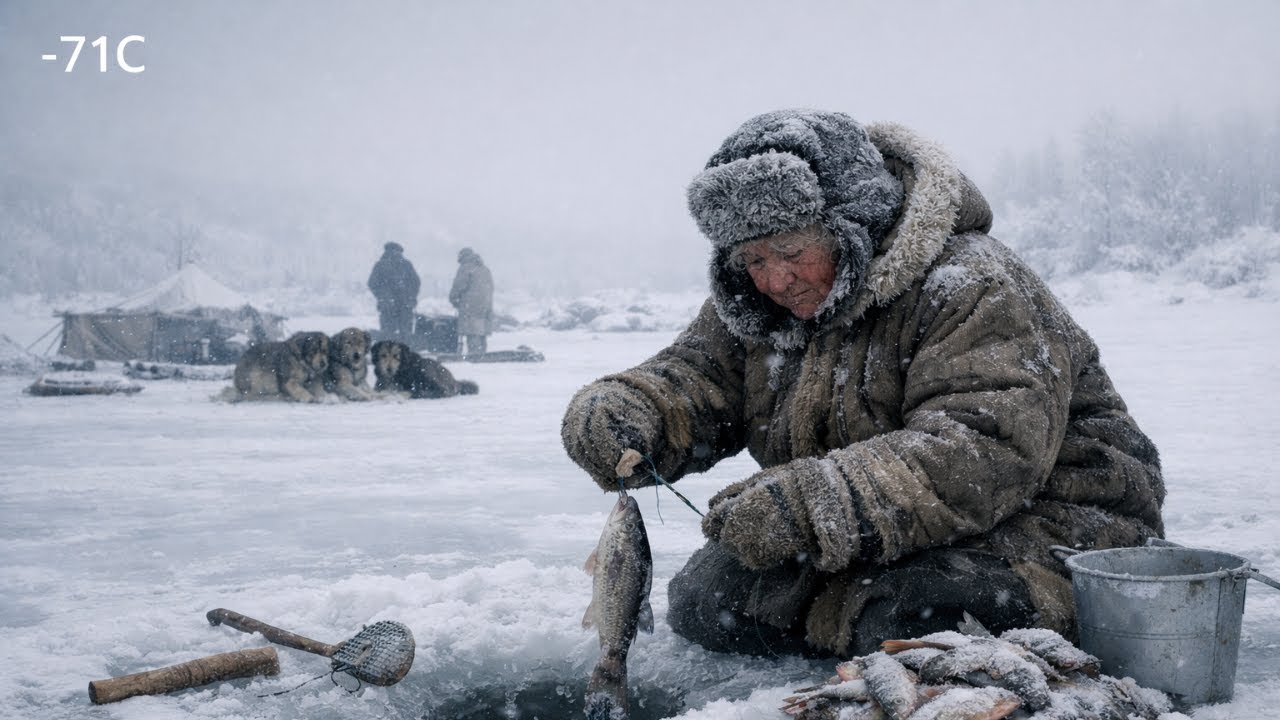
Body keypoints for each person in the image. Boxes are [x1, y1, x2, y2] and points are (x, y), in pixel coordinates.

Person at [560, 109, 1164, 659]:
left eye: (789, 250)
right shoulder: (757, 305)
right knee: (707, 599)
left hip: (1054, 527)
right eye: (751, 259)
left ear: (853, 223)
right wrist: (632, 410)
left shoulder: (972, 283)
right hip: (886, 534)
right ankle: (851, 624)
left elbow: (983, 450)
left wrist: (812, 503)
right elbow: (697, 379)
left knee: (911, 614)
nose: (774, 279)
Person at [367, 242, 421, 339]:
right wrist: (411, 296)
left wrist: (382, 296)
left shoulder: (380, 265)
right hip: (403, 304)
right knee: (404, 333)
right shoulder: (406, 264)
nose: (395, 253)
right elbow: (415, 283)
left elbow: (372, 283)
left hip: (390, 305)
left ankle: (391, 351)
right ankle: (404, 352)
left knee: (388, 333)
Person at [448, 247, 494, 358]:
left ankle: (474, 356)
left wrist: (453, 299)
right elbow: (491, 287)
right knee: (481, 332)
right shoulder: (485, 269)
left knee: (472, 332)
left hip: (470, 305)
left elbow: (458, 286)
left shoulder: (465, 268)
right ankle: (482, 354)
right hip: (486, 305)